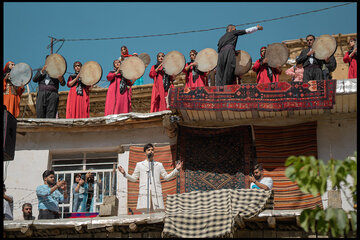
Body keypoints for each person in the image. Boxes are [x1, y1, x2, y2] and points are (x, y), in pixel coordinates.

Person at [118, 143, 183, 213]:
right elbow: (134, 178)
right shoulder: (139, 165)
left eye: (152, 150)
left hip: (156, 191)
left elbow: (166, 177)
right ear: (145, 152)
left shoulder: (159, 165)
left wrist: (176, 170)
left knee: (158, 212)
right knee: (144, 213)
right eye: (148, 150)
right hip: (144, 192)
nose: (151, 151)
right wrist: (124, 173)